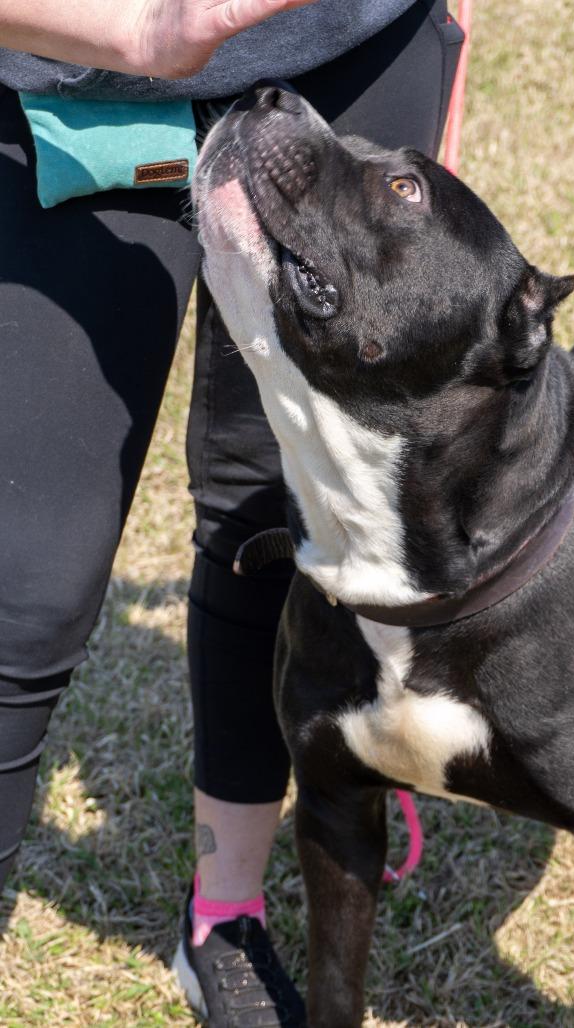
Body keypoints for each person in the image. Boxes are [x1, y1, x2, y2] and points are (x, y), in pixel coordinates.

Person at [0, 1, 463, 1024]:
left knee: (273, 511)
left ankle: (225, 916)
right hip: (65, 67)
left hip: (352, 49)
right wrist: (124, 35)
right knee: (27, 575)